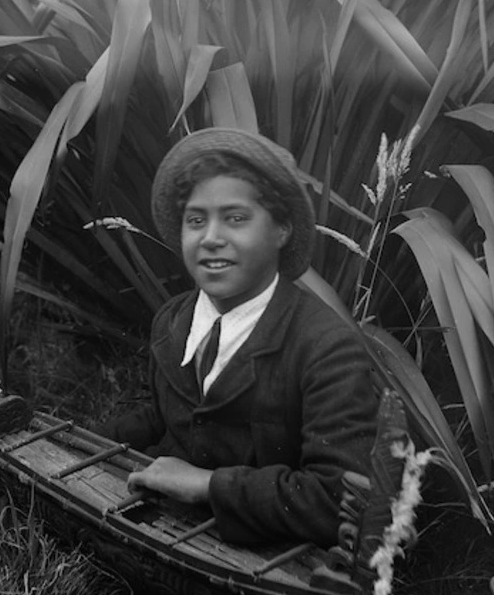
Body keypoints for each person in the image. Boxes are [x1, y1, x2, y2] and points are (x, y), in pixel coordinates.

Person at [100, 127, 377, 549]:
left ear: (281, 229)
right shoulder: (173, 320)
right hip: (167, 532)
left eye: (236, 218)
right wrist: (77, 443)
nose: (211, 238)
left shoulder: (325, 347)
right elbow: (165, 415)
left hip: (268, 558)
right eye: (196, 220)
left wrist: (210, 485)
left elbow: (342, 499)